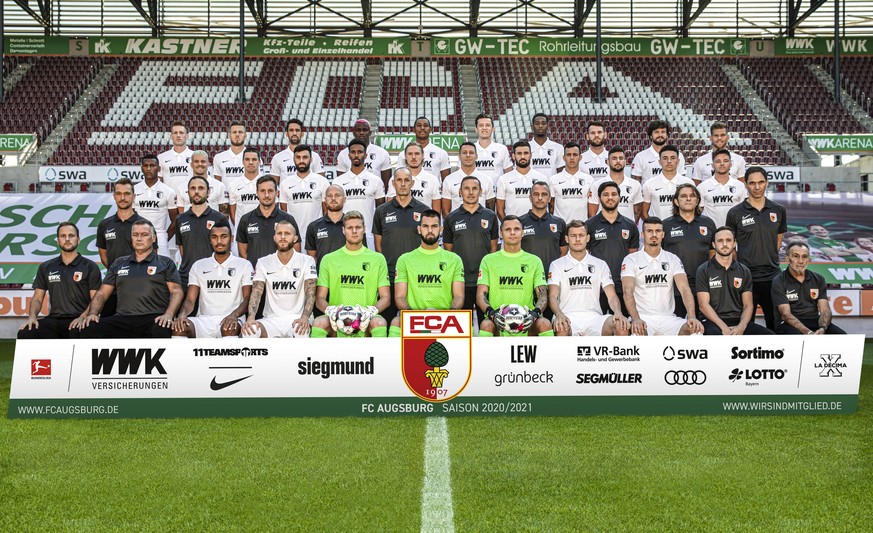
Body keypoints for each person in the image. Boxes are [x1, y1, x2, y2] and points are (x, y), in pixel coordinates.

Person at [73, 220, 183, 338]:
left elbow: (177, 291)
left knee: (162, 327)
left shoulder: (165, 263)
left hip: (153, 318)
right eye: (135, 235)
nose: (139, 238)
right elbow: (102, 294)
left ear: (154, 238)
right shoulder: (119, 263)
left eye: (144, 235)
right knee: (89, 327)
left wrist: (168, 315)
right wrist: (93, 314)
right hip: (122, 319)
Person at [311, 211, 391, 338]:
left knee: (379, 322)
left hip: (366, 320)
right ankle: (316, 358)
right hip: (337, 321)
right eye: (349, 228)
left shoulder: (377, 259)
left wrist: (370, 312)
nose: (354, 231)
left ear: (364, 229)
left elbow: (386, 297)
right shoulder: (329, 259)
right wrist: (332, 312)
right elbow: (320, 298)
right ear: (343, 230)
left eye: (358, 227)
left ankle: (380, 357)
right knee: (318, 322)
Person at [726, 166, 787, 331]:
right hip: (747, 278)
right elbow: (730, 246)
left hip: (773, 276)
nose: (757, 186)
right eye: (752, 183)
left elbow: (778, 242)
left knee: (775, 324)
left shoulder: (778, 210)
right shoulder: (735, 213)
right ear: (745, 184)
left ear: (767, 183)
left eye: (761, 182)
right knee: (745, 326)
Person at [387, 210, 465, 337]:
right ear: (419, 229)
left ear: (440, 229)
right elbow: (399, 297)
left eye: (434, 226)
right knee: (396, 321)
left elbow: (459, 296)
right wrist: (417, 316)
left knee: (468, 325)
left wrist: (446, 314)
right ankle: (394, 357)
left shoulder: (454, 259)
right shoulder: (405, 260)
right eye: (425, 226)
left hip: (445, 317)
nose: (429, 230)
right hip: (414, 316)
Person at [18, 222, 102, 339]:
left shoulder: (90, 266)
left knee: (83, 330)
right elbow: (37, 298)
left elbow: (95, 299)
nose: (67, 239)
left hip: (79, 318)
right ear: (58, 240)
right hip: (54, 320)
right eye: (63, 236)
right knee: (27, 332)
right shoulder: (46, 267)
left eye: (71, 236)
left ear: (78, 239)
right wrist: (32, 317)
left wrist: (83, 317)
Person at [622, 217, 703, 336]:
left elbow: (685, 289)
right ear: (642, 234)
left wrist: (692, 317)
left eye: (658, 231)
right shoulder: (631, 259)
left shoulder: (672, 258)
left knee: (695, 331)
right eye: (649, 231)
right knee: (637, 334)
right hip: (643, 318)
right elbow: (627, 291)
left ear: (663, 234)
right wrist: (635, 318)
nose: (654, 234)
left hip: (668, 318)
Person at [172, 220, 253, 338]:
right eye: (214, 237)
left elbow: (247, 299)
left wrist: (234, 315)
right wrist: (182, 314)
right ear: (210, 240)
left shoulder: (244, 265)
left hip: (233, 318)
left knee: (229, 328)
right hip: (204, 320)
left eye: (223, 237)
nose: (219, 241)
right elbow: (190, 299)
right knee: (179, 327)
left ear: (231, 238)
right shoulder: (198, 265)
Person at [476, 215, 554, 337]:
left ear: (522, 233)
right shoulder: (488, 260)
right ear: (501, 233)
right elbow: (481, 294)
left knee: (544, 323)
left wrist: (534, 314)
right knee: (486, 324)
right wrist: (492, 314)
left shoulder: (534, 261)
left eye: (517, 229)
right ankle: (482, 356)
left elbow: (542, 295)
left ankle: (550, 356)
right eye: (507, 229)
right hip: (499, 320)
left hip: (527, 321)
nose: (512, 233)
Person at [548, 221, 629, 336]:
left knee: (620, 324)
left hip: (595, 319)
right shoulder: (557, 265)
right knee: (561, 326)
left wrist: (618, 312)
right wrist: (559, 314)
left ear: (588, 238)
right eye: (573, 236)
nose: (577, 239)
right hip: (567, 316)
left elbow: (611, 296)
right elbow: (552, 296)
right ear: (566, 239)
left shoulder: (600, 264)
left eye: (581, 235)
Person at [242, 220, 318, 338]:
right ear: (274, 237)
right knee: (250, 331)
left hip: (297, 318)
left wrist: (304, 317)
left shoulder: (307, 261)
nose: (283, 237)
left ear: (295, 238)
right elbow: (256, 293)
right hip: (271, 320)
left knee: (300, 332)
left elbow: (311, 294)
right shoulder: (263, 262)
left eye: (287, 233)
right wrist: (251, 317)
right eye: (279, 233)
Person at [373, 168, 430, 323]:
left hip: (416, 276)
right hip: (390, 276)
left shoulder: (424, 210)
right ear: (393, 183)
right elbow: (379, 245)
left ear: (412, 183)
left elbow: (429, 243)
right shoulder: (381, 211)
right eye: (399, 180)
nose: (403, 184)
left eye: (407, 180)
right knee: (386, 323)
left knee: (416, 322)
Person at [696, 227, 773, 335]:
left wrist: (742, 326)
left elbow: (748, 305)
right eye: (720, 241)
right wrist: (723, 327)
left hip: (737, 320)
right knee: (714, 337)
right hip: (712, 321)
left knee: (770, 336)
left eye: (728, 240)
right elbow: (703, 305)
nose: (724, 244)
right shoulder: (703, 270)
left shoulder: (744, 270)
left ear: (734, 243)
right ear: (714, 244)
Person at [443, 176, 499, 323]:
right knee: (462, 326)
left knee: (487, 325)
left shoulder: (491, 216)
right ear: (460, 192)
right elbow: (448, 252)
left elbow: (494, 250)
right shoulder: (451, 218)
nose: (471, 192)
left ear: (481, 191)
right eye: (466, 188)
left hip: (484, 282)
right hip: (461, 282)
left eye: (475, 188)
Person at [661, 184, 717, 318]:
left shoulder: (708, 223)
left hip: (702, 286)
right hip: (674, 287)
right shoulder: (666, 225)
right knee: (676, 327)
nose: (688, 199)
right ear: (676, 201)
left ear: (697, 200)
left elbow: (713, 254)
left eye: (692, 196)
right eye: (683, 196)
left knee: (701, 328)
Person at [586, 181, 639, 315]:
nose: (610, 198)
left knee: (624, 327)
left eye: (614, 194)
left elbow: (633, 259)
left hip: (623, 287)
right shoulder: (589, 225)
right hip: (598, 288)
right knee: (599, 329)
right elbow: (585, 257)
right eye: (606, 195)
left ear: (619, 197)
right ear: (599, 198)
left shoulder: (630, 225)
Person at [772, 241, 846, 335]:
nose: (801, 261)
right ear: (787, 259)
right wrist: (808, 332)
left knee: (842, 337)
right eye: (796, 256)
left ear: (808, 259)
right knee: (799, 339)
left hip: (813, 321)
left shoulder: (818, 279)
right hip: (787, 324)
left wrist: (823, 328)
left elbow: (824, 310)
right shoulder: (779, 280)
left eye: (804, 256)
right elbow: (785, 315)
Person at [96, 177, 145, 316]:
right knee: (107, 330)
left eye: (127, 193)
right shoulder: (104, 225)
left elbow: (152, 254)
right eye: (119, 193)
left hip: (138, 288)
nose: (122, 197)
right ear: (114, 196)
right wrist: (116, 272)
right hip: (113, 287)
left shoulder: (144, 225)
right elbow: (103, 253)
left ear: (134, 196)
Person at [174, 176, 229, 289]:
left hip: (212, 277)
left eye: (201, 188)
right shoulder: (180, 219)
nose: (197, 192)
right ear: (188, 192)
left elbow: (226, 249)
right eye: (193, 188)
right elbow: (182, 248)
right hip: (187, 276)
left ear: (208, 192)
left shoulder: (219, 218)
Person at [333, 138, 386, 248]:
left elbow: (380, 212)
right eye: (353, 152)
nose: (356, 155)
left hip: (369, 234)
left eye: (360, 152)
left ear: (366, 155)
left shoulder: (376, 181)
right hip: (344, 233)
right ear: (349, 156)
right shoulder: (338, 181)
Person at [237, 175, 300, 268]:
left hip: (280, 277)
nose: (266, 195)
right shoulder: (246, 220)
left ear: (277, 193)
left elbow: (296, 251)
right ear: (257, 193)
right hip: (255, 276)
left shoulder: (288, 219)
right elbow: (243, 253)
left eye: (270, 191)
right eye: (262, 191)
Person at [279, 144, 330, 250]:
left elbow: (326, 210)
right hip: (293, 237)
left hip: (316, 235)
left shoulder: (322, 181)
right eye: (298, 157)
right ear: (293, 159)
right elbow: (284, 212)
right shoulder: (285, 183)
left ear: (311, 159)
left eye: (305, 157)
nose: (301, 160)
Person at [133, 154, 177, 257]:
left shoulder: (168, 191)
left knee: (161, 269)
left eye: (152, 165)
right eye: (146, 165)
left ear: (158, 168)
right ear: (142, 168)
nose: (149, 168)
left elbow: (175, 220)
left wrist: (164, 236)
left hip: (160, 236)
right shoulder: (134, 190)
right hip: (138, 237)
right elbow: (130, 216)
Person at [520, 182, 568, 276]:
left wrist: (555, 271)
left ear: (550, 198)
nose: (540, 198)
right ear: (530, 197)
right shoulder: (520, 222)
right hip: (526, 276)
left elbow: (563, 253)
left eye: (544, 194)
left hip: (552, 277)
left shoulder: (559, 223)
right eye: (536, 194)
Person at [306, 185, 356, 270]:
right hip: (324, 279)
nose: (333, 198)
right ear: (325, 200)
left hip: (348, 278)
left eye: (337, 195)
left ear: (344, 199)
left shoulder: (354, 226)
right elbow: (312, 258)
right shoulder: (313, 226)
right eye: (329, 196)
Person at [496, 140, 548, 220]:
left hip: (537, 228)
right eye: (519, 153)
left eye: (526, 153)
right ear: (513, 156)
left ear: (531, 155)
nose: (523, 156)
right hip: (513, 229)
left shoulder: (542, 178)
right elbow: (499, 209)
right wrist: (508, 225)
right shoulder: (504, 179)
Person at [588, 146, 643, 222]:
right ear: (607, 162)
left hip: (626, 231)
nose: (618, 161)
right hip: (603, 230)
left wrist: (629, 226)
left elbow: (637, 211)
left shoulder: (635, 185)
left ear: (625, 161)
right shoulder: (597, 185)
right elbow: (592, 213)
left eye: (621, 158)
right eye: (614, 158)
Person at [641, 144, 694, 220]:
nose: (669, 161)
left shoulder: (688, 183)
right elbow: (643, 212)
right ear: (659, 161)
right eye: (665, 158)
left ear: (678, 161)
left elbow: (693, 209)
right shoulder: (649, 184)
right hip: (660, 230)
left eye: (672, 158)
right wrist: (655, 227)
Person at [441, 142, 495, 216]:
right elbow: (445, 211)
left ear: (476, 156)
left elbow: (490, 212)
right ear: (459, 156)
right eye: (464, 153)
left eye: (471, 152)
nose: (468, 155)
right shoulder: (449, 180)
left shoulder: (487, 179)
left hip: (480, 226)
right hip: (458, 225)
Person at [697, 148, 747, 227]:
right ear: (712, 165)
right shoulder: (702, 187)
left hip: (734, 231)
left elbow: (744, 211)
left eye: (726, 161)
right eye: (718, 161)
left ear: (731, 164)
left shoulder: (740, 186)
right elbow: (699, 211)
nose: (722, 164)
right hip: (711, 232)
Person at [336, 119, 392, 188]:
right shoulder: (343, 154)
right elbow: (340, 182)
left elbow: (387, 184)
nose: (361, 133)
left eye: (365, 130)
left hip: (374, 195)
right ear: (354, 133)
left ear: (370, 133)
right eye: (358, 130)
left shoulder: (382, 153)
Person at [387, 143, 442, 213]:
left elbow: (436, 213)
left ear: (423, 156)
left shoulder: (433, 180)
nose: (413, 157)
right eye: (410, 154)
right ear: (405, 156)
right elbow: (389, 209)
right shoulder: (394, 179)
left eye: (417, 154)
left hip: (423, 222)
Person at [549, 141, 593, 223]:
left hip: (582, 226)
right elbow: (551, 207)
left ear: (580, 157)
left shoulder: (589, 180)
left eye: (575, 155)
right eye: (568, 155)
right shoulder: (554, 179)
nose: (572, 158)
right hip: (561, 227)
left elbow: (591, 206)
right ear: (564, 158)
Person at [176, 150, 229, 217]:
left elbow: (225, 215)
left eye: (203, 161)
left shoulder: (219, 186)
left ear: (208, 164)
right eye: (196, 161)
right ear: (191, 165)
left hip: (213, 226)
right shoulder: (182, 187)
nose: (200, 164)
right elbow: (182, 216)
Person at [631, 119, 686, 184]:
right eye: (656, 132)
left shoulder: (678, 155)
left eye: (663, 132)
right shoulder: (640, 157)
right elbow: (635, 182)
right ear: (651, 135)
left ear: (667, 135)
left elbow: (682, 179)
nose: (660, 135)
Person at [227, 147, 263, 229]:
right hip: (242, 235)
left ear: (259, 162)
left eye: (254, 159)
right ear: (243, 162)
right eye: (247, 159)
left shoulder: (267, 183)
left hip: (262, 232)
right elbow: (233, 213)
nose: (250, 162)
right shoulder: (233, 185)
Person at [473, 113, 512, 182]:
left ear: (493, 129)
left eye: (487, 125)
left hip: (497, 192)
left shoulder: (502, 149)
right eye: (481, 125)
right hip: (474, 192)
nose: (484, 128)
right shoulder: (470, 149)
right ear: (476, 129)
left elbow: (509, 174)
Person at [157, 120, 193, 195]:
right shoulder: (161, 157)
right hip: (169, 201)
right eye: (175, 133)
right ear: (171, 136)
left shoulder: (194, 156)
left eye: (181, 132)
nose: (178, 135)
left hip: (189, 201)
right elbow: (158, 182)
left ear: (187, 136)